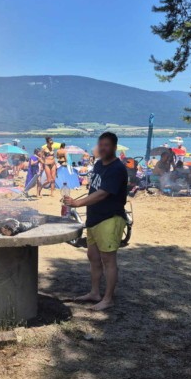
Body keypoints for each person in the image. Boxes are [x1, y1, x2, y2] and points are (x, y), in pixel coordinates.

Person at [63, 132, 128, 311]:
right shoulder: (99, 164)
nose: (102, 148)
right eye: (101, 144)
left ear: (114, 147)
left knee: (108, 260)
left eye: (106, 145)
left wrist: (78, 203)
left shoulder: (117, 169)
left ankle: (108, 299)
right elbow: (93, 189)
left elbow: (103, 193)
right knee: (93, 257)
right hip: (94, 218)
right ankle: (94, 293)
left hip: (110, 218)